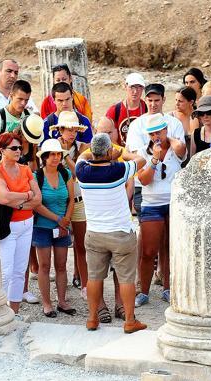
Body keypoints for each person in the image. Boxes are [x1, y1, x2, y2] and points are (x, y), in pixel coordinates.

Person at [76, 133, 148, 333]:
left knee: (94, 277)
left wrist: (102, 155)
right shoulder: (119, 169)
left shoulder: (81, 171)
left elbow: (82, 157)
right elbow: (141, 160)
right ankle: (130, 321)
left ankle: (92, 318)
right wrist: (119, 155)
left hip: (95, 233)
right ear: (108, 151)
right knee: (126, 279)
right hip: (120, 233)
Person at [134, 114, 187, 307]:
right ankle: (144, 291)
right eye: (152, 133)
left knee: (170, 248)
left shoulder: (175, 147)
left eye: (159, 131)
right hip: (152, 203)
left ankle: (168, 288)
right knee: (149, 251)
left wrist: (168, 139)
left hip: (173, 203)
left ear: (166, 130)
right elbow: (145, 180)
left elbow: (181, 148)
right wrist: (154, 159)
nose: (156, 135)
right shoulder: (143, 152)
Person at [0, 133, 42, 317]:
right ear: (2, 150)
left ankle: (13, 312)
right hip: (9, 226)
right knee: (5, 271)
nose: (18, 151)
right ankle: (0, 313)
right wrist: (26, 195)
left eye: (20, 147)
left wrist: (19, 201)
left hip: (26, 223)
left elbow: (38, 198)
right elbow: (2, 197)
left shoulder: (25, 169)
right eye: (14, 148)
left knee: (20, 270)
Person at [126, 84, 186, 213]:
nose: (153, 104)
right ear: (145, 100)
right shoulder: (136, 124)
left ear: (163, 100)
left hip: (171, 187)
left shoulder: (174, 123)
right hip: (143, 186)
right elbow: (138, 156)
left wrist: (167, 139)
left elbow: (181, 152)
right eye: (150, 100)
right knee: (145, 228)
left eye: (157, 100)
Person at [49, 111, 90, 298]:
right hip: (60, 202)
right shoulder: (50, 148)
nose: (72, 133)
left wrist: (65, 156)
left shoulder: (82, 147)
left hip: (78, 200)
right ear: (61, 129)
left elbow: (78, 173)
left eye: (75, 129)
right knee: (60, 247)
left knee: (81, 245)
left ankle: (85, 285)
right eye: (68, 129)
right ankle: (61, 289)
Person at [33, 138, 75, 317]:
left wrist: (66, 219)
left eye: (58, 154)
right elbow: (36, 204)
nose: (56, 157)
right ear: (44, 157)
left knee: (61, 265)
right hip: (43, 226)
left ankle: (62, 301)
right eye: (52, 154)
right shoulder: (37, 176)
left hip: (62, 225)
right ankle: (47, 303)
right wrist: (59, 219)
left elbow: (71, 199)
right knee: (44, 265)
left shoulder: (65, 174)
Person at [0, 58, 37, 122]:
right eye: (9, 71)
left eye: (16, 73)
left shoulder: (22, 94)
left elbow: (36, 115)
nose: (13, 76)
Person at [105, 73, 148, 146]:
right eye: (132, 87)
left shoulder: (147, 107)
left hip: (142, 153)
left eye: (139, 87)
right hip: (120, 154)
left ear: (143, 89)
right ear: (125, 87)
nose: (135, 91)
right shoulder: (115, 110)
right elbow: (105, 135)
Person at [0, 80, 34, 145]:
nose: (23, 103)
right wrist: (10, 136)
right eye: (20, 99)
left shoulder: (30, 117)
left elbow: (35, 147)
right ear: (11, 96)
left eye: (26, 100)